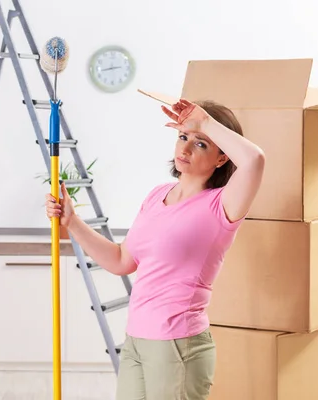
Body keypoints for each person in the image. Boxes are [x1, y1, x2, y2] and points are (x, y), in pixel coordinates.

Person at [45, 98, 265, 400]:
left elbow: (255, 160)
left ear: (222, 158)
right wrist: (72, 222)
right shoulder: (157, 195)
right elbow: (122, 260)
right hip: (137, 339)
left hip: (178, 344)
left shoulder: (221, 205)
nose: (185, 149)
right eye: (183, 137)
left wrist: (206, 124)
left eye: (201, 144)